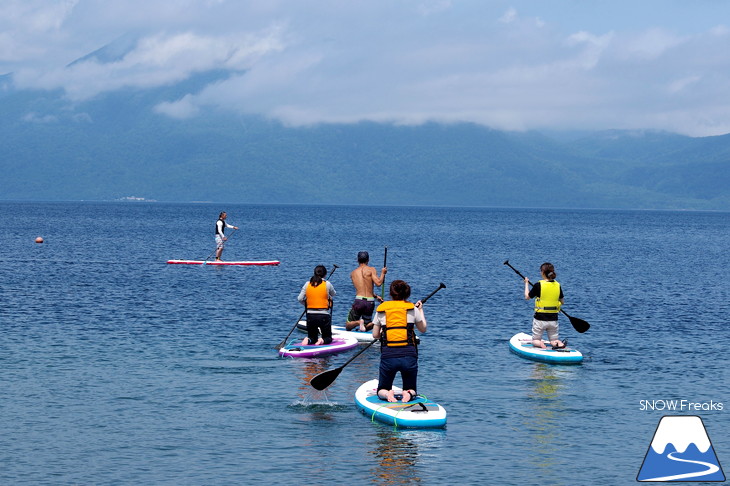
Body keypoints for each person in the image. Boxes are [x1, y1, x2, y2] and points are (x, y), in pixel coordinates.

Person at [372, 280, 427, 403]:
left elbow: (375, 335)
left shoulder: (381, 310)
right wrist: (421, 310)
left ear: (391, 293)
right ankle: (408, 393)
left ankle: (387, 394)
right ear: (407, 293)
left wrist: (383, 332)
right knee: (412, 388)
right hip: (409, 356)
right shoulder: (413, 308)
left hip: (388, 356)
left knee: (381, 389)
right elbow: (423, 329)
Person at [524, 262, 566, 349]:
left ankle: (541, 345)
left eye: (540, 271)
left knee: (536, 340)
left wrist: (526, 283)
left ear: (543, 272)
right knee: (553, 340)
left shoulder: (538, 285)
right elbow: (562, 302)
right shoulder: (558, 285)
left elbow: (527, 297)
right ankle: (559, 344)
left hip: (540, 319)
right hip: (553, 319)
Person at [345, 251, 387, 332]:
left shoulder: (353, 273)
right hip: (370, 302)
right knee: (367, 326)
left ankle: (358, 322)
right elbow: (378, 283)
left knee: (348, 325)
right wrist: (383, 273)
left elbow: (361, 289)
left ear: (357, 260)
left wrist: (376, 296)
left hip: (359, 300)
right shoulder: (371, 270)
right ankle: (376, 323)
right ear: (368, 260)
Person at [298, 265, 337, 346]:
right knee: (328, 338)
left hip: (310, 315)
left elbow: (300, 298)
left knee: (312, 337)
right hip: (323, 316)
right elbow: (334, 294)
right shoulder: (327, 284)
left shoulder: (307, 284)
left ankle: (308, 339)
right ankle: (322, 340)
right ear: (325, 275)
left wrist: (307, 304)